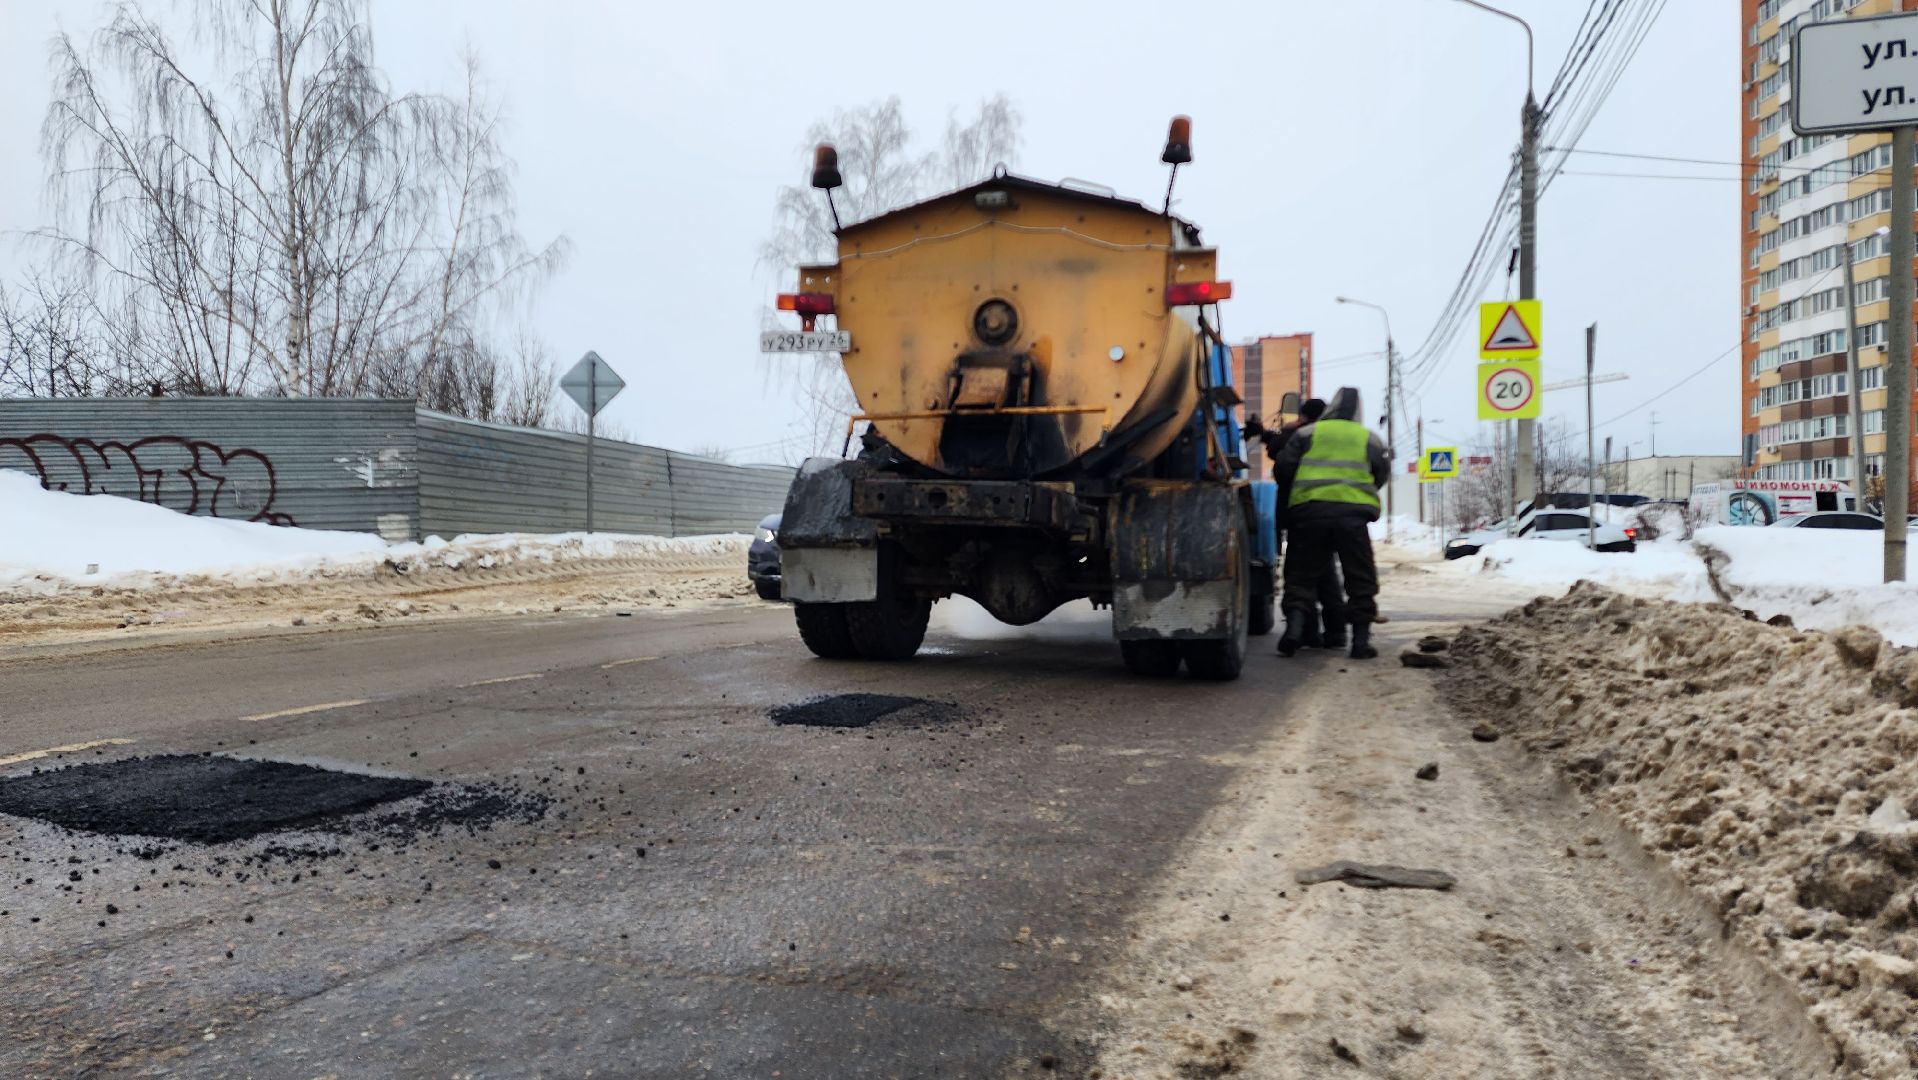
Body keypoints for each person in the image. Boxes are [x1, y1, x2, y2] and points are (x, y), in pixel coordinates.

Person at [1269, 386, 1389, 659]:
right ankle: (1360, 642)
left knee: (1301, 575)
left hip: (1310, 515)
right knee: (1360, 578)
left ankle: (1294, 632)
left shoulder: (1306, 434)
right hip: (1352, 519)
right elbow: (1380, 473)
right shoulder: (1368, 438)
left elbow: (1283, 468)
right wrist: (1356, 493)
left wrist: (1302, 490)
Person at [1243, 400, 1347, 648]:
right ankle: (1336, 632)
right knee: (1326, 574)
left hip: (1303, 514)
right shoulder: (1334, 437)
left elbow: (1281, 458)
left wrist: (1276, 431)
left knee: (1300, 575)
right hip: (1334, 511)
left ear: (1302, 416)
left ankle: (1303, 631)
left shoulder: (1300, 435)